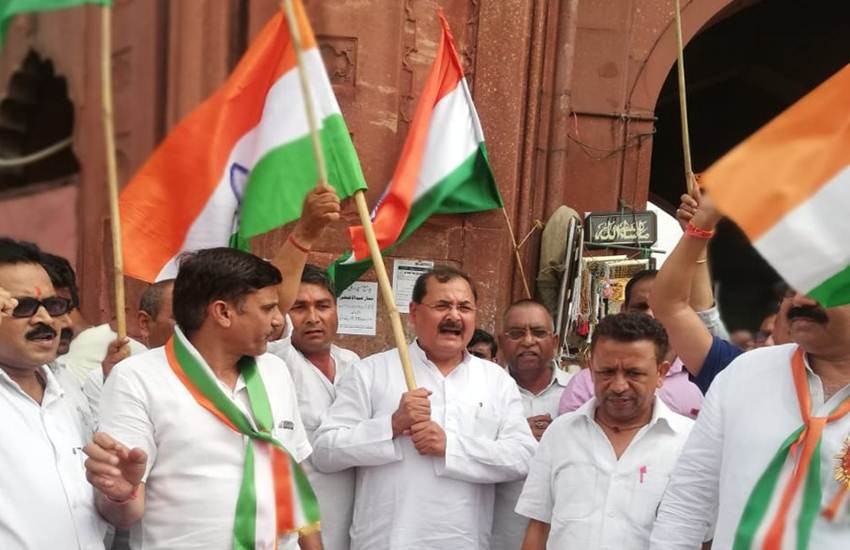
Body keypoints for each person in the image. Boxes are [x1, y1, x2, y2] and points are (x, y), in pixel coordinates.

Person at [83, 248, 319, 549]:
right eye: (267, 308)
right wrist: (121, 493)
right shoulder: (136, 378)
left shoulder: (276, 371)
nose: (277, 321)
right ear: (223, 313)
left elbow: (292, 474)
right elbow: (122, 513)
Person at [312, 266, 537, 549]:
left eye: (464, 307)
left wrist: (451, 447)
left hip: (463, 541)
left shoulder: (496, 381)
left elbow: (523, 456)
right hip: (386, 541)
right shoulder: (371, 372)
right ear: (414, 312)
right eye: (442, 305)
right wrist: (391, 426)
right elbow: (325, 451)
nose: (454, 316)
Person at [650, 288, 850, 548]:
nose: (801, 300)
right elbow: (689, 499)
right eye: (793, 289)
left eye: (822, 285)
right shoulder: (743, 374)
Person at [517, 313, 695, 549]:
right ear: (591, 370)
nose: (619, 386)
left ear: (661, 373)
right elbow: (539, 527)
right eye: (607, 372)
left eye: (634, 373)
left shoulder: (689, 443)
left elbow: (703, 537)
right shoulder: (560, 433)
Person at [0, 237, 106, 549]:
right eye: (22, 307)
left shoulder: (68, 387)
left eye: (53, 305)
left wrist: (119, 492)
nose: (45, 319)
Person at [267, 264, 360, 550]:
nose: (313, 318)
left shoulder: (353, 363)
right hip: (299, 529)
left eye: (323, 306)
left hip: (355, 525)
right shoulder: (277, 361)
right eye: (299, 308)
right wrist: (302, 242)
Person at [559, 269, 705, 418]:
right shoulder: (585, 384)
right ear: (624, 310)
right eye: (641, 307)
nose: (650, 314)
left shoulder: (706, 375)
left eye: (661, 307)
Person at [491, 299, 571, 550]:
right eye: (516, 334)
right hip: (498, 535)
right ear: (501, 342)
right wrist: (516, 437)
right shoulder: (485, 392)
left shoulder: (578, 393)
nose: (528, 341)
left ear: (555, 341)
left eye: (538, 332)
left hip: (561, 535)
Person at [81, 279, 175, 415]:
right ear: (145, 323)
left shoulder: (207, 376)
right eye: (180, 319)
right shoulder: (104, 379)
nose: (193, 327)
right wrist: (115, 383)